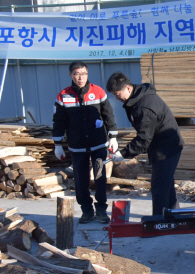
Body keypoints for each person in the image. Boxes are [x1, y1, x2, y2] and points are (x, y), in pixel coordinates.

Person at [106, 72, 184, 216]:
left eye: (118, 94)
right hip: (160, 145)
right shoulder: (137, 99)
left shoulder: (144, 107)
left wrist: (122, 154)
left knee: (159, 186)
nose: (117, 98)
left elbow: (143, 139)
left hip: (167, 148)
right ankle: (174, 215)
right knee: (165, 183)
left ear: (128, 89)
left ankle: (159, 221)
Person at [52, 61, 118, 224]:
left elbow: (108, 114)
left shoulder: (98, 92)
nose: (80, 77)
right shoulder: (63, 96)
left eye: (83, 73)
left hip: (98, 144)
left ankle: (101, 209)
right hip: (77, 145)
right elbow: (58, 121)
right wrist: (57, 144)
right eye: (76, 74)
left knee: (100, 177)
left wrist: (113, 136)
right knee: (80, 180)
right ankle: (87, 211)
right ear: (71, 75)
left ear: (87, 74)